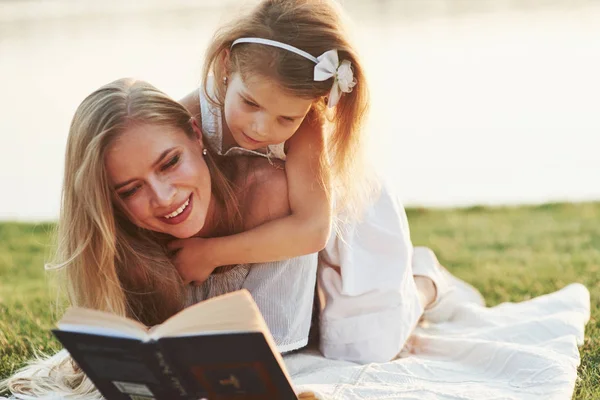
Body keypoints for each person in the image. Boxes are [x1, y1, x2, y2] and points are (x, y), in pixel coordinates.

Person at [176, 0, 485, 363]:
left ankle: (426, 281)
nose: (262, 127)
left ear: (315, 102)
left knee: (366, 346)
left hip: (341, 224)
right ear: (227, 65)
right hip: (278, 226)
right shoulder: (194, 111)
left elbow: (312, 230)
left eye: (285, 119)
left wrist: (211, 253)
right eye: (250, 103)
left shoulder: (309, 126)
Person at [2, 78, 319, 398]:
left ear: (196, 135)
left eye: (170, 162)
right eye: (131, 189)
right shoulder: (126, 240)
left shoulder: (271, 197)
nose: (164, 197)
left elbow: (276, 351)